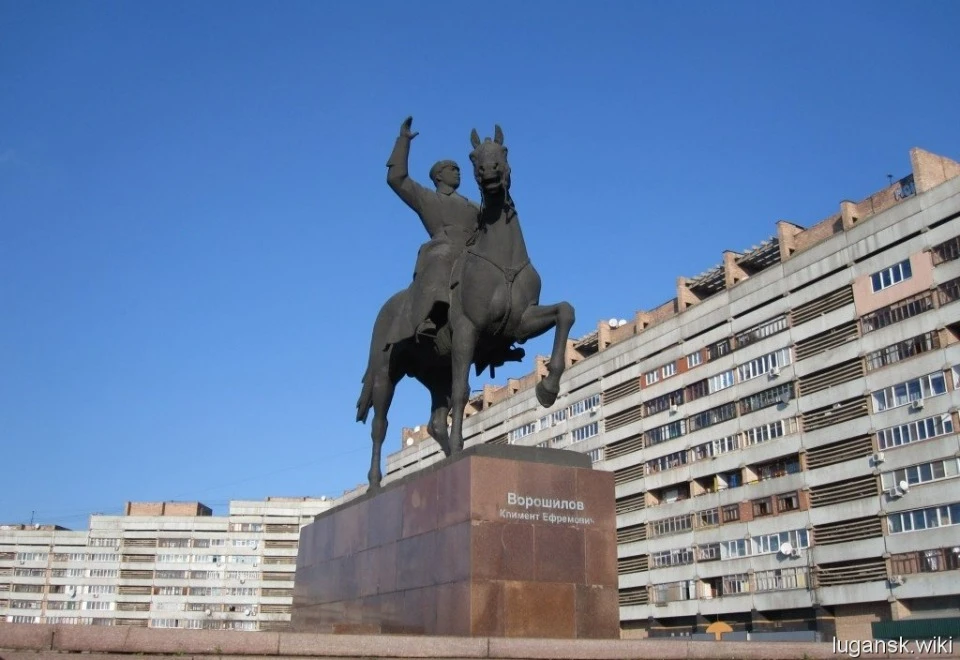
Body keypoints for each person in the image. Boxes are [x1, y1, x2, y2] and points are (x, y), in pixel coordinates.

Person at [386, 116, 481, 341]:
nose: (458, 172)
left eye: (459, 169)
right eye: (452, 169)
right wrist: (403, 141)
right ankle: (431, 315)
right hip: (444, 247)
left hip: (473, 251)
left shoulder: (474, 206)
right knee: (441, 257)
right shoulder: (427, 198)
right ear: (438, 176)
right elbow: (396, 179)